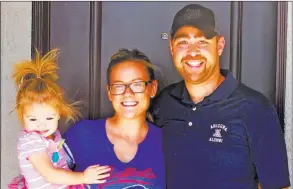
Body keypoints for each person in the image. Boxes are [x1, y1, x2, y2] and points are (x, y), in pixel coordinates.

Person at [149, 4, 290, 189]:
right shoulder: (163, 103)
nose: (192, 52)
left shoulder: (255, 108)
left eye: (202, 42)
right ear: (172, 47)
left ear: (220, 45)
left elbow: (277, 185)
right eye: (183, 42)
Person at [63, 49, 166, 189]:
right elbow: (42, 179)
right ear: (109, 92)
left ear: (152, 88)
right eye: (118, 86)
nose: (128, 93)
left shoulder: (166, 142)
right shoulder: (82, 134)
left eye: (137, 84)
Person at [8, 49, 111, 189]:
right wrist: (83, 177)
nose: (41, 125)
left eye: (49, 118)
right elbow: (49, 174)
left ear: (58, 114)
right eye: (33, 120)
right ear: (22, 116)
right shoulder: (31, 141)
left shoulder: (53, 134)